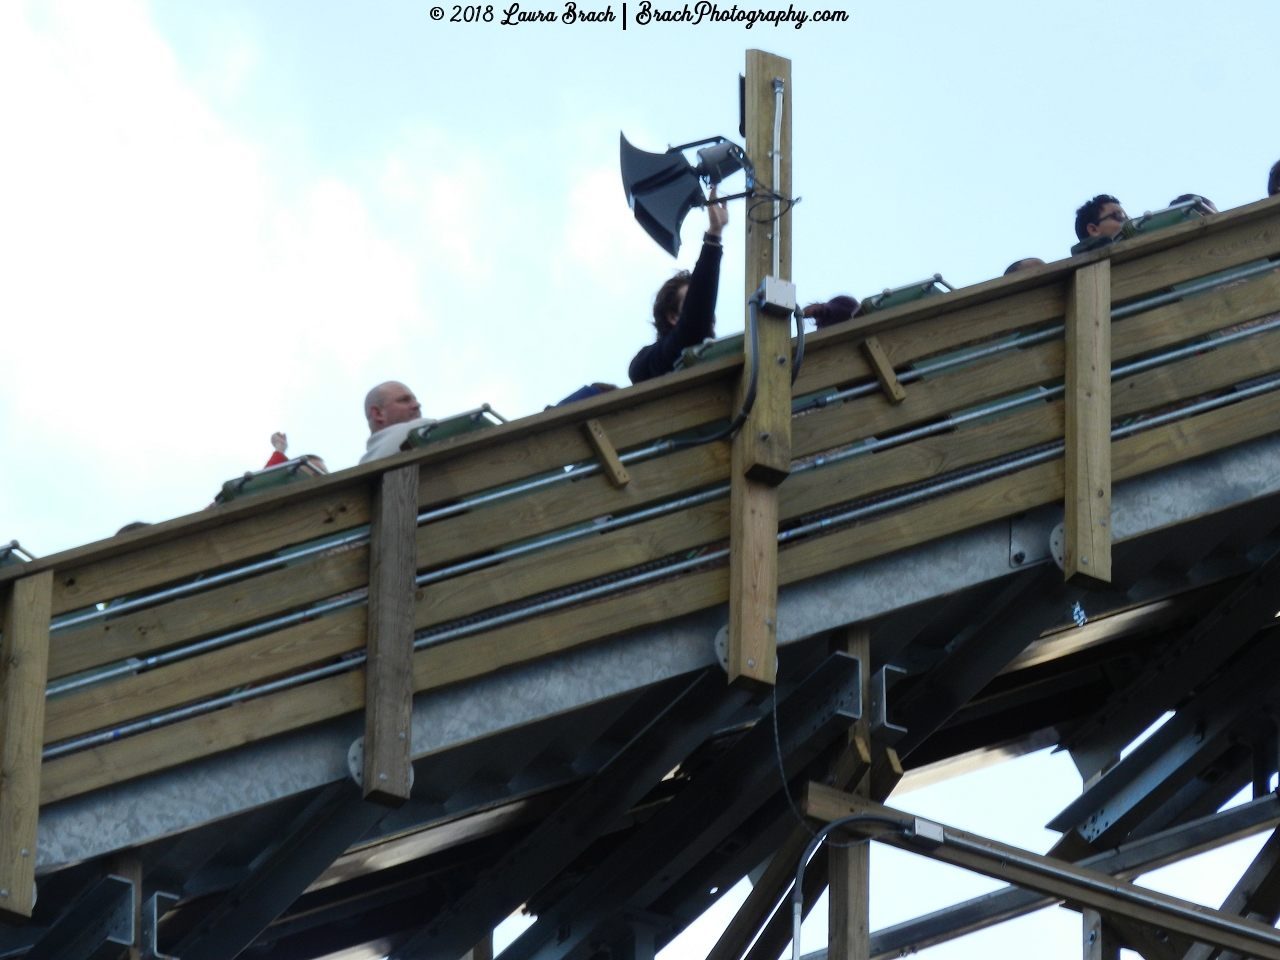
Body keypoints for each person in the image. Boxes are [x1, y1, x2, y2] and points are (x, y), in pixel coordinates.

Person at [628, 187, 729, 384]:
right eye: (691, 298)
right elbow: (693, 322)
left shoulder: (723, 358)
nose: (701, 302)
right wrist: (713, 235)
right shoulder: (653, 358)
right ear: (673, 317)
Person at [360, 381, 436, 464]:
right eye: (404, 400)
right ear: (378, 413)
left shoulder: (365, 464)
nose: (417, 405)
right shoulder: (420, 428)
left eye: (415, 399)